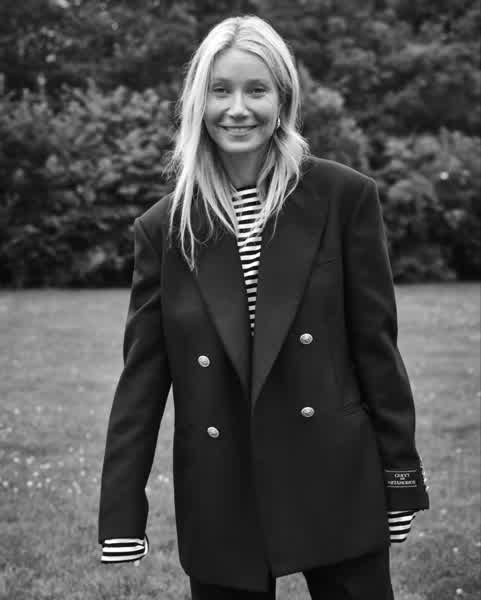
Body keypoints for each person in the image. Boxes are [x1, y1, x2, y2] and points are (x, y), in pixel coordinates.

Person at [98, 14, 430, 600]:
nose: (237, 109)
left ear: (283, 99)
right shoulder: (164, 228)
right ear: (197, 101)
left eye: (256, 90)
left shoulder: (344, 198)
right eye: (220, 90)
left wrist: (400, 479)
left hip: (335, 472)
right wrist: (122, 510)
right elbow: (142, 380)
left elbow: (376, 350)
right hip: (222, 484)